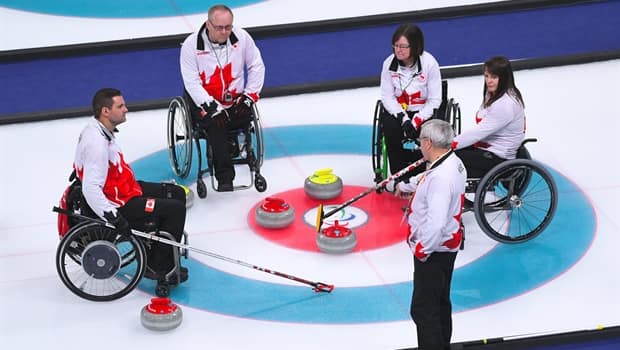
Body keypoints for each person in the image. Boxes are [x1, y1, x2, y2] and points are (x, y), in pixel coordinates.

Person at [73, 88, 188, 296]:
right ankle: (158, 267)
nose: (126, 109)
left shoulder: (97, 129)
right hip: (119, 203)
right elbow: (91, 188)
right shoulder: (97, 144)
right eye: (121, 106)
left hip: (125, 188)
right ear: (105, 111)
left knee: (176, 193)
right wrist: (113, 216)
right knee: (175, 210)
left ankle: (162, 246)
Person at [395, 119, 466, 349]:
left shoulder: (441, 179)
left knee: (424, 309)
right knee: (439, 303)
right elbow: (426, 178)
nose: (419, 146)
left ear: (428, 143)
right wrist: (402, 185)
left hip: (434, 250)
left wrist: (421, 250)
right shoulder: (451, 162)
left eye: (420, 141)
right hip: (446, 246)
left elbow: (436, 222)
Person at [180, 4, 265, 192]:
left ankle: (238, 148)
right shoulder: (190, 45)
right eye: (220, 28)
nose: (225, 32)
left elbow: (257, 66)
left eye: (228, 27)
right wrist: (212, 107)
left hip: (235, 99)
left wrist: (249, 96)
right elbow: (192, 83)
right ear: (208, 25)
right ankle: (224, 176)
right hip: (203, 101)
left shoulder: (242, 38)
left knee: (244, 116)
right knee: (215, 125)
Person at [380, 23, 442, 178]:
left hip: (423, 111)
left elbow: (435, 100)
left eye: (403, 46)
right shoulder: (388, 64)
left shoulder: (429, 63)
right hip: (398, 111)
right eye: (395, 46)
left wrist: (417, 120)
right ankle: (398, 176)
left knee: (429, 135)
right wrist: (403, 119)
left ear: (414, 46)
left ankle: (422, 173)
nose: (398, 50)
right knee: (390, 127)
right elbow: (387, 97)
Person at [452, 56, 525, 179]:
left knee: (448, 156)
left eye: (494, 77)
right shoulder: (494, 93)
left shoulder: (505, 104)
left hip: (498, 157)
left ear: (504, 78)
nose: (489, 81)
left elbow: (479, 132)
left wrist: (451, 144)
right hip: (489, 146)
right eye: (486, 76)